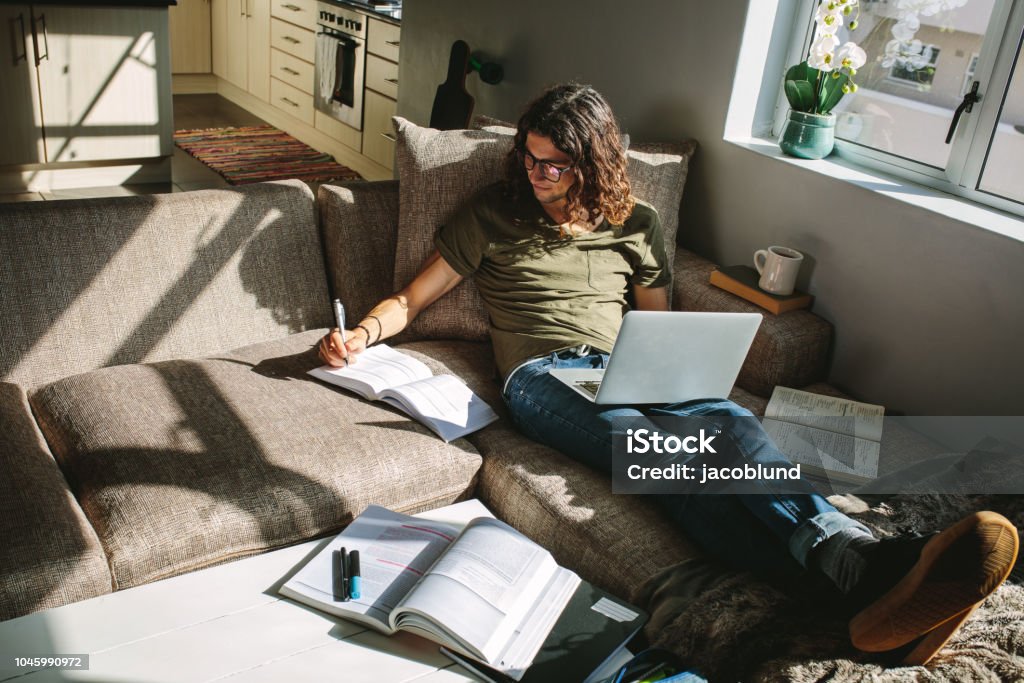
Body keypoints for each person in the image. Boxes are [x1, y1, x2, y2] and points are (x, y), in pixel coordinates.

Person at [318, 83, 1018, 665]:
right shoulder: (494, 215)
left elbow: (657, 325)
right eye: (529, 160)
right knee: (660, 452)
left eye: (555, 164)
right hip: (542, 376)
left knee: (728, 427)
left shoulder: (637, 223)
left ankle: (861, 598)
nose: (537, 176)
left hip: (628, 364)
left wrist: (677, 377)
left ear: (593, 161)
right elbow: (412, 298)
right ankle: (860, 566)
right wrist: (362, 333)